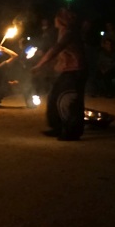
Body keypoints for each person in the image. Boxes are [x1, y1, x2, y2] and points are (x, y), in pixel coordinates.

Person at [32, 7, 86, 141]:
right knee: (53, 97)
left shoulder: (69, 33)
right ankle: (57, 127)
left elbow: (56, 49)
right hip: (67, 70)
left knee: (69, 100)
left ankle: (72, 132)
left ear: (62, 20)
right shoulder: (62, 32)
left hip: (76, 70)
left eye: (57, 18)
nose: (54, 20)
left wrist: (39, 65)